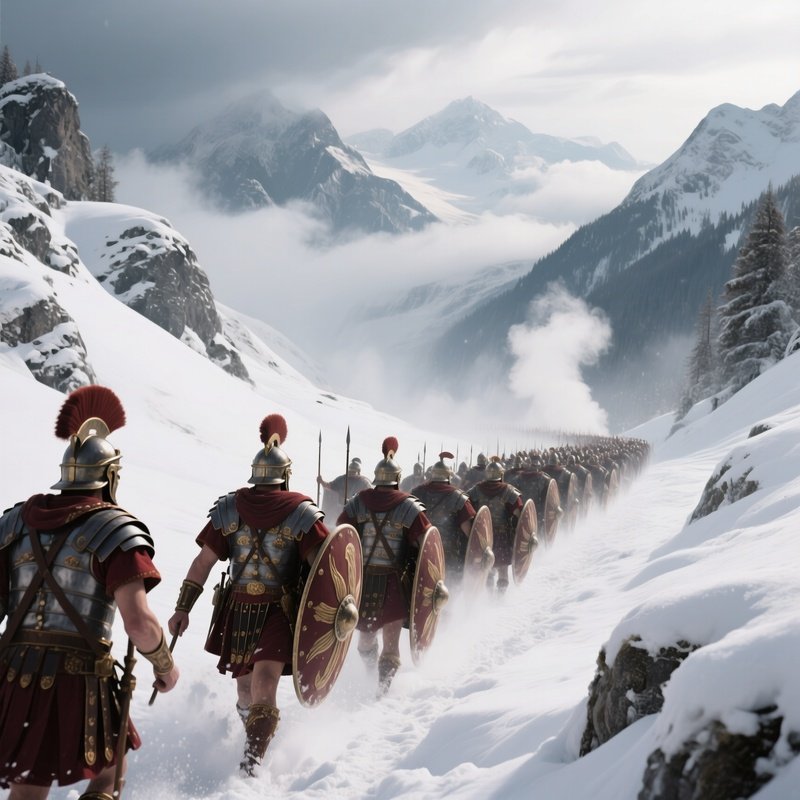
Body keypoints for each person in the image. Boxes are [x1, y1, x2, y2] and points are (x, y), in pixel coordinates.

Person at [0, 385, 179, 800]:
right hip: (78, 675)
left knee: (30, 783)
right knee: (108, 776)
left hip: (14, 671)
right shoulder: (114, 528)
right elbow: (138, 621)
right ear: (110, 475)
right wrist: (165, 666)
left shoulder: (15, 524)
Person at [168, 414, 329, 777]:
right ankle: (256, 733)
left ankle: (251, 763)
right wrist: (182, 607)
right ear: (285, 475)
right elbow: (204, 562)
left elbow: (323, 569)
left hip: (278, 610)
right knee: (244, 689)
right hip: (239, 609)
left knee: (264, 681)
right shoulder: (232, 510)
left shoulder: (300, 514)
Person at [337, 437, 431, 696]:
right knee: (389, 640)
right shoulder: (408, 506)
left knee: (366, 639)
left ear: (376, 478)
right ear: (397, 478)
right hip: (393, 581)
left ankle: (377, 683)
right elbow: (425, 545)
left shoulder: (358, 502)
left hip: (365, 581)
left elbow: (342, 531)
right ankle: (380, 686)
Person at [410, 452, 475, 582]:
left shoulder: (416, 493)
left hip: (421, 551)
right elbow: (467, 529)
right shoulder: (458, 497)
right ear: (449, 476)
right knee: (448, 587)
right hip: (448, 554)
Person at [467, 458, 522, 593]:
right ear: (500, 474)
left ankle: (490, 595)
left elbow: (468, 508)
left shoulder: (476, 490)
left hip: (482, 536)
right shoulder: (508, 491)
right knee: (502, 567)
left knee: (487, 566)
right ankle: (500, 598)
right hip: (501, 534)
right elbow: (519, 514)